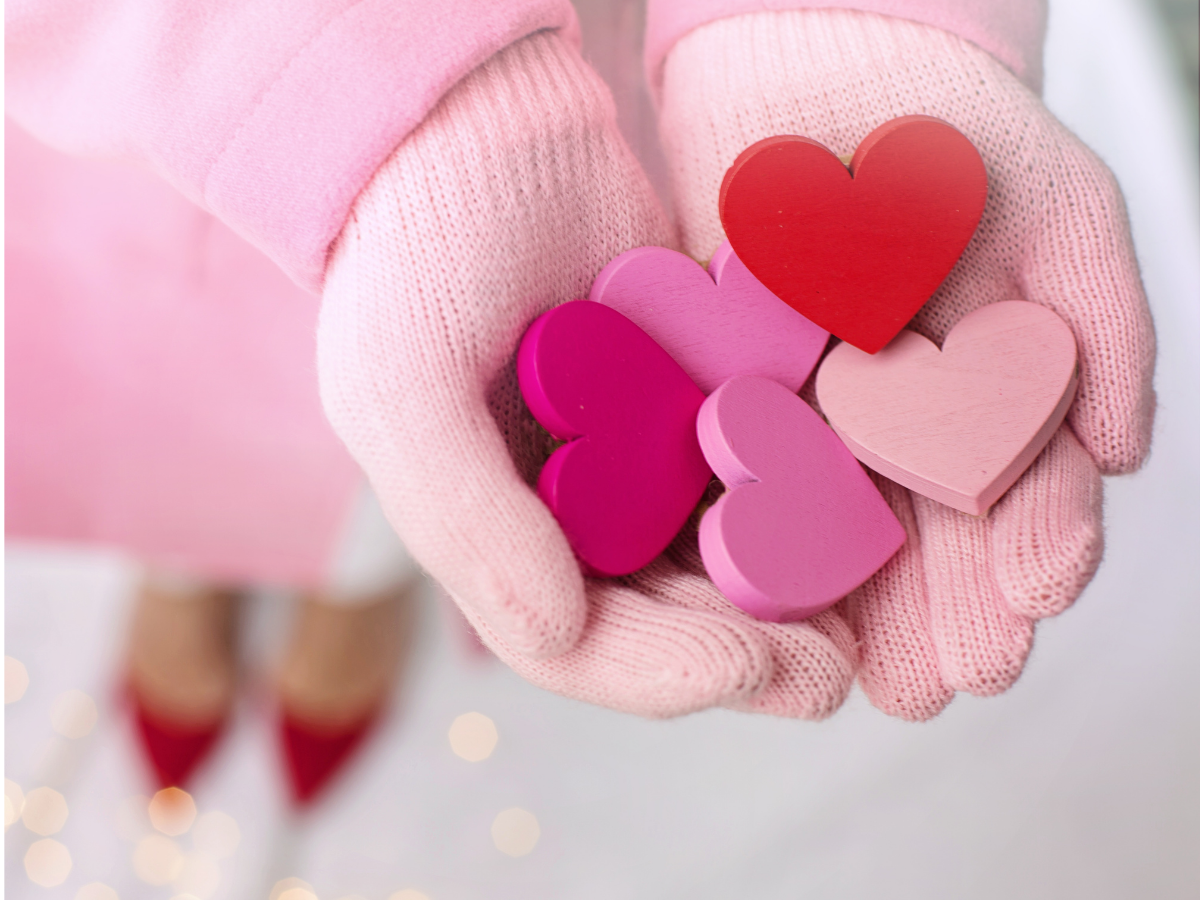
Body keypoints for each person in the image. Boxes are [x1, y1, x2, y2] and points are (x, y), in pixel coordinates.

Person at [5, 0, 1155, 788]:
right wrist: (369, 83)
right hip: (186, 112)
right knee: (199, 421)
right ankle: (195, 559)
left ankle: (358, 584)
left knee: (459, 447)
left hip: (633, 85)